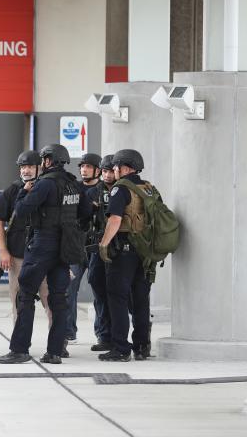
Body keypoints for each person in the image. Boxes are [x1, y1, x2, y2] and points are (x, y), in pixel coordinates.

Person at [0, 144, 89, 365]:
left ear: (47, 161)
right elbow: (86, 214)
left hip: (43, 244)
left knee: (25, 295)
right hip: (65, 247)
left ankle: (20, 349)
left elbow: (21, 211)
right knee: (59, 300)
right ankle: (55, 352)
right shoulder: (74, 186)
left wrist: (23, 191)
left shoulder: (45, 184)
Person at [98, 149, 151, 362]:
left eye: (116, 167)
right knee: (141, 299)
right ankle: (142, 346)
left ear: (124, 168)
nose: (114, 171)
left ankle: (120, 348)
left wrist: (103, 244)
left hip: (125, 251)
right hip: (145, 251)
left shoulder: (120, 189)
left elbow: (115, 220)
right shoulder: (147, 187)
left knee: (117, 297)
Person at [0, 150, 51, 325]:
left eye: (30, 167)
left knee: (51, 301)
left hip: (44, 255)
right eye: (23, 167)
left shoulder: (49, 187)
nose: (26, 171)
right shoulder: (12, 190)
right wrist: (3, 251)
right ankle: (19, 346)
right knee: (19, 302)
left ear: (40, 167)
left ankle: (57, 344)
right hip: (17, 256)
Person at [66, 153, 101, 344]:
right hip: (76, 244)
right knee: (69, 288)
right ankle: (69, 332)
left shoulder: (103, 189)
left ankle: (102, 334)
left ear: (97, 170)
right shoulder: (74, 188)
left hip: (96, 246)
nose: (84, 170)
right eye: (82, 167)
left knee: (100, 290)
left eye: (88, 167)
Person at [85, 154, 115, 352]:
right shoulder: (93, 192)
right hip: (96, 248)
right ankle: (104, 336)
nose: (107, 175)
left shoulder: (124, 191)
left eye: (110, 171)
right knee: (99, 292)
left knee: (121, 295)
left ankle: (124, 336)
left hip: (119, 249)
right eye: (104, 171)